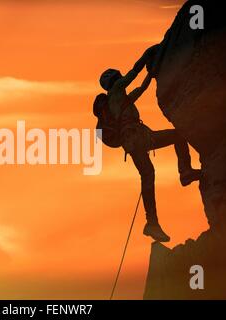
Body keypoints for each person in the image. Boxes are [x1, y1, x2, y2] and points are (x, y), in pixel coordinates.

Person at [95, 45, 201, 242]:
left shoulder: (119, 100)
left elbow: (141, 88)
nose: (120, 78)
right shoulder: (116, 91)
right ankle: (184, 172)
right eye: (118, 77)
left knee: (149, 173)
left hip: (135, 140)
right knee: (174, 141)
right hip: (137, 138)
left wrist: (151, 74)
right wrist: (149, 53)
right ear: (114, 81)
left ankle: (153, 221)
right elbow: (134, 73)